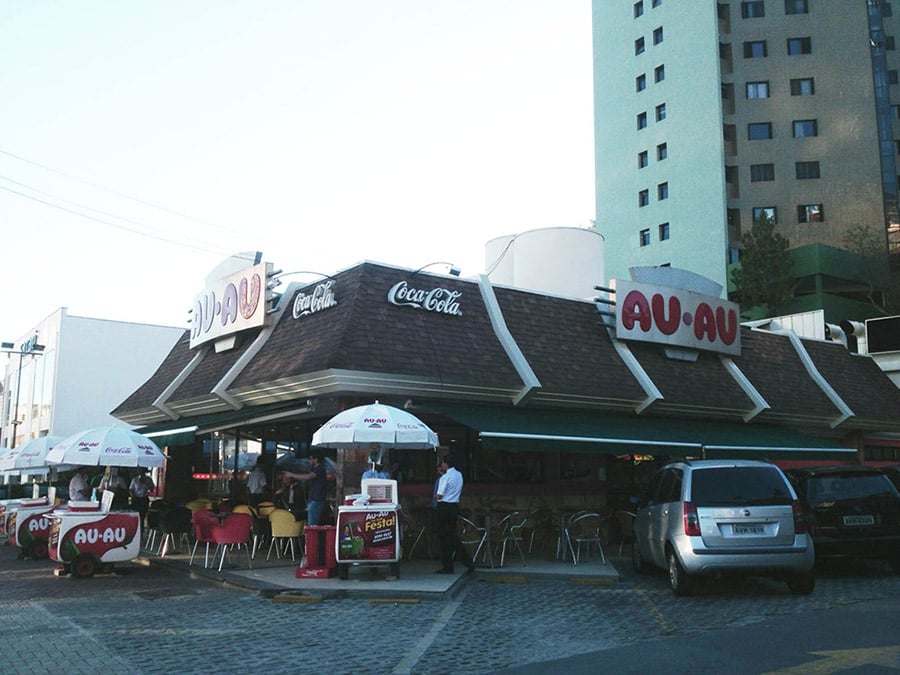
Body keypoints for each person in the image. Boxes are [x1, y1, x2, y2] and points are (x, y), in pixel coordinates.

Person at [433, 454, 475, 574]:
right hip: (454, 506)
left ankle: (448, 566)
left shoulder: (445, 478)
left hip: (444, 507)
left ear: (445, 463)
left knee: (444, 538)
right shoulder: (459, 475)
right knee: (452, 536)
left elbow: (439, 495)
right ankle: (467, 561)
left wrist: (435, 495)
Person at [290, 454, 328, 526]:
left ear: (316, 460)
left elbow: (308, 476)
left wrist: (292, 475)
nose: (309, 461)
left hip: (316, 499)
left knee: (312, 525)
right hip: (314, 499)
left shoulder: (319, 469)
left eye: (310, 459)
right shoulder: (316, 469)